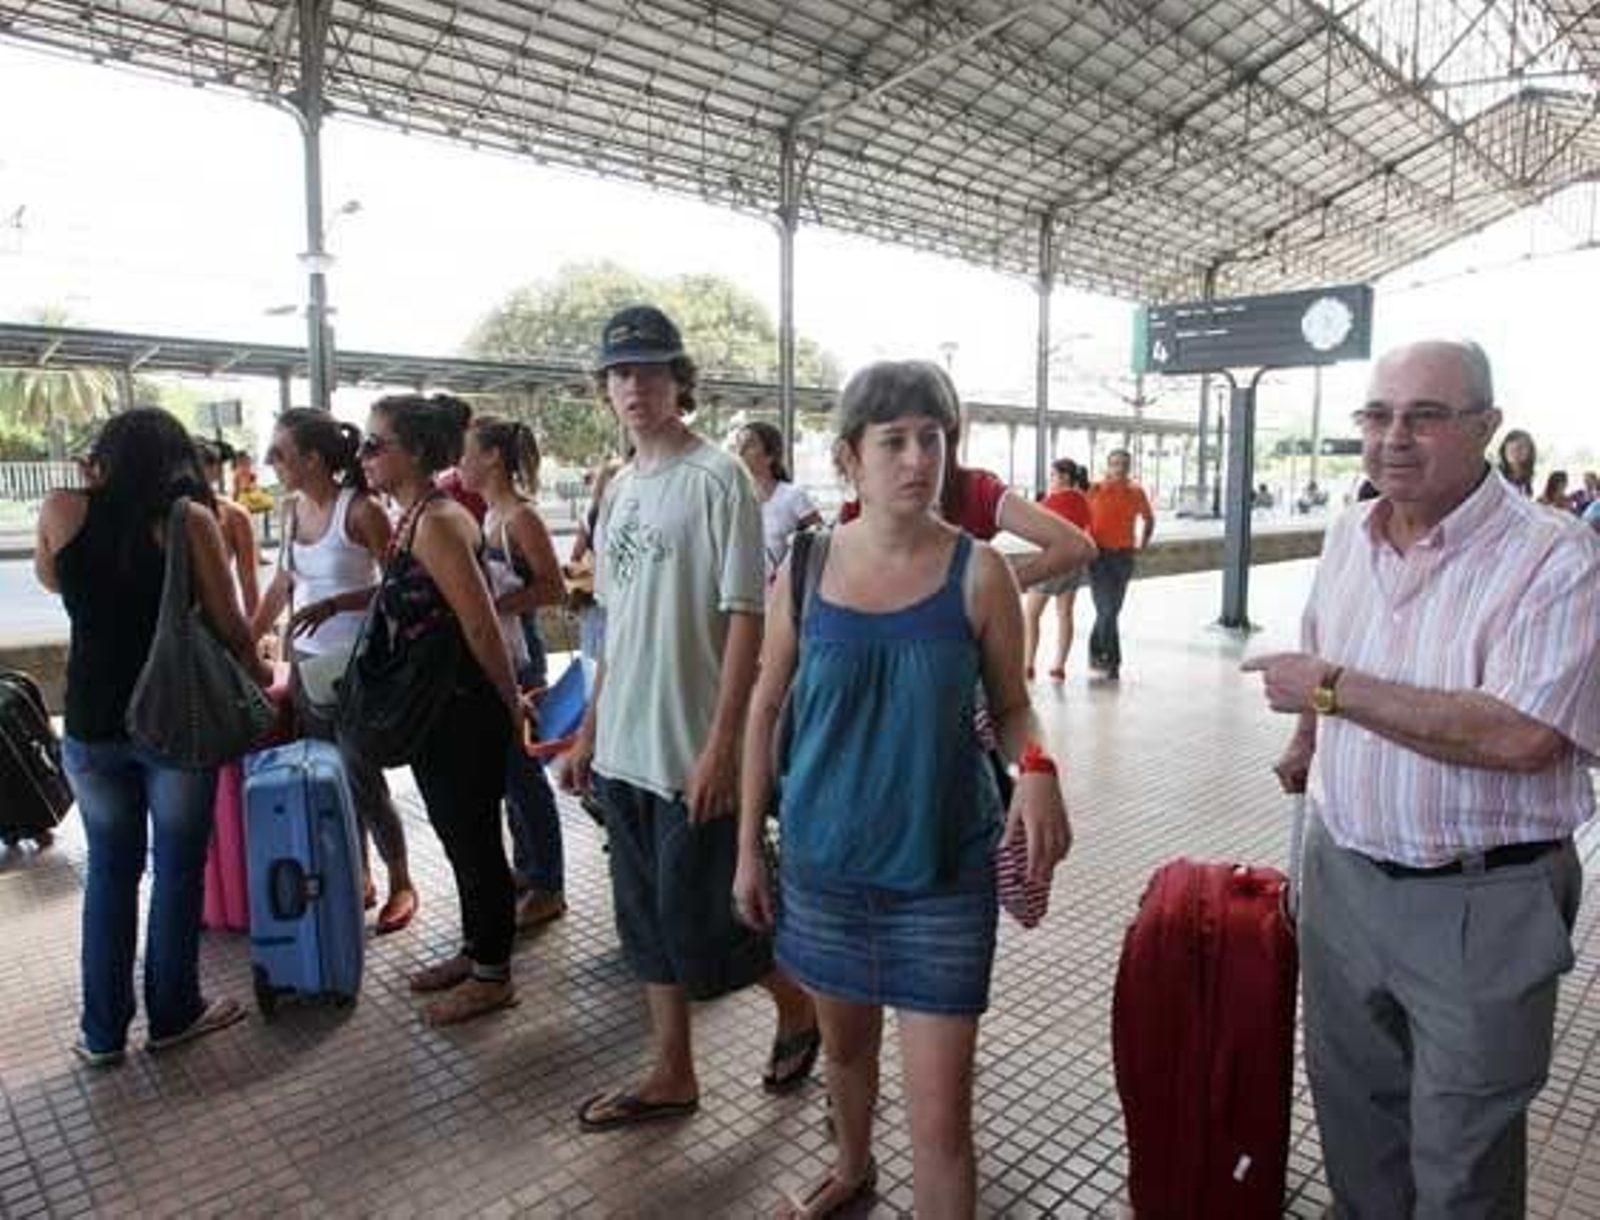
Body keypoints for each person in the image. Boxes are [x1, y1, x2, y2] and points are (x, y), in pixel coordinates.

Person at [1244, 340, 1600, 1219]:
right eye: (1378, 415)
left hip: (1484, 901)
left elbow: (1521, 734)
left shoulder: (1553, 560)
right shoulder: (1346, 533)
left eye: (1427, 417)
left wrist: (1331, 691)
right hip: (1344, 880)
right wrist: (1307, 738)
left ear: (1487, 427)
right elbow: (1329, 645)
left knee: (1462, 1166)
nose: (1394, 438)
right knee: (1355, 1121)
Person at [734, 361, 1072, 1219]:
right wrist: (746, 851)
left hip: (942, 877)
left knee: (943, 1122)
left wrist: (1038, 773)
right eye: (895, 441)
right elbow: (765, 705)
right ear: (851, 457)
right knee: (846, 1059)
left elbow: (1014, 706)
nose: (919, 458)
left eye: (935, 437)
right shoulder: (805, 569)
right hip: (825, 867)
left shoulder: (979, 572)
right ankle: (850, 1167)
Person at [558, 304, 818, 1132]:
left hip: (690, 749)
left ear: (679, 382)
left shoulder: (719, 479)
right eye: (619, 373)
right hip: (625, 744)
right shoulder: (620, 486)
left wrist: (723, 747)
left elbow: (746, 618)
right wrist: (591, 731)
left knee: (707, 928)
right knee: (645, 924)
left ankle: (800, 1004)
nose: (634, 387)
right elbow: (617, 626)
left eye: (650, 370)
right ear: (604, 388)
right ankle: (673, 1071)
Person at [35, 408, 271, 1066]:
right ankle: (173, 1015)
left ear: (104, 457)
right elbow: (230, 624)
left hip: (89, 722)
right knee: (176, 870)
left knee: (110, 874)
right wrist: (258, 678)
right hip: (172, 719)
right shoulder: (188, 520)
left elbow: (54, 581)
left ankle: (102, 1035)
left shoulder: (61, 508)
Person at [359, 393, 525, 1025]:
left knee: (476, 842)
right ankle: (475, 950)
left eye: (377, 444)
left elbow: (482, 627)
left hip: (463, 710)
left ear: (418, 452)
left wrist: (511, 707)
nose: (365, 455)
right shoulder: (412, 515)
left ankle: (493, 975)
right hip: (437, 710)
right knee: (460, 841)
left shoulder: (437, 521)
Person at [251, 409, 418, 935]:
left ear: (313, 459)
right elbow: (281, 585)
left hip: (356, 668)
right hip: (307, 668)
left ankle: (401, 881)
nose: (271, 462)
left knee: (362, 776)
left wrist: (337, 605)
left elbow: (406, 586)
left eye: (280, 453)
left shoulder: (362, 510)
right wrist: (243, 639)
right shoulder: (291, 510)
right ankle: (362, 875)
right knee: (330, 777)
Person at [458, 414, 569, 930]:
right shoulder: (488, 515)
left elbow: (554, 588)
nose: (460, 462)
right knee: (507, 775)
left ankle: (550, 883)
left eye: (467, 452)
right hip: (507, 654)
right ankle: (529, 866)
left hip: (523, 659)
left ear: (493, 458)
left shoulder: (520, 518)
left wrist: (495, 604)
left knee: (525, 777)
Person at [838, 389, 1095, 588]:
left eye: (929, 437)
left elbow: (1076, 546)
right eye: (894, 441)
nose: (915, 459)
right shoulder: (978, 489)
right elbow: (1074, 546)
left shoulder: (978, 490)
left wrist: (992, 589)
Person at [1085, 448, 1154, 681]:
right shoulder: (1094, 490)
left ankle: (1095, 651)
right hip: (1099, 557)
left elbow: (1149, 519)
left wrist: (1142, 542)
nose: (1119, 468)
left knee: (1111, 611)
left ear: (1129, 467)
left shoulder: (1136, 492)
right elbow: (1077, 517)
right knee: (1107, 611)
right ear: (1108, 466)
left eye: (1124, 464)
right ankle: (1112, 662)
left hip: (1124, 557)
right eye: (1115, 464)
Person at [1023, 457, 1095, 681]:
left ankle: (1028, 665)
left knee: (1031, 615)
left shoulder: (1051, 501)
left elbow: (1033, 528)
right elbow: (1085, 527)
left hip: (1052, 562)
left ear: (1064, 477)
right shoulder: (1083, 499)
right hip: (1074, 563)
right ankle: (1058, 666)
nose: (1050, 479)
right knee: (1065, 614)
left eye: (1052, 475)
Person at [736, 420, 822, 580]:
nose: (740, 451)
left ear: (770, 456)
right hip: (740, 591)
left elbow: (820, 539)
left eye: (749, 445)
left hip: (779, 592)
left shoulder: (793, 495)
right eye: (738, 444)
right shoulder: (732, 496)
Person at [197, 439, 261, 617]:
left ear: (216, 470)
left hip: (220, 617)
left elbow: (249, 581)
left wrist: (257, 632)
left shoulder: (234, 515)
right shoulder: (165, 513)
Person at [1496, 427, 1536, 496]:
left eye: (1522, 446)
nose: (1516, 451)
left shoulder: (1525, 479)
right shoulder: (1495, 476)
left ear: (1530, 452)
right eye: (1512, 448)